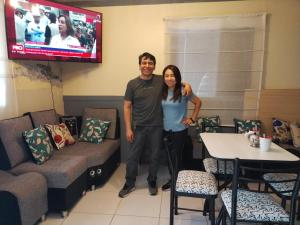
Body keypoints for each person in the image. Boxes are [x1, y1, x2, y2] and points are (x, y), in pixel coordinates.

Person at [119, 52, 192, 198]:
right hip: (138, 127)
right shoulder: (132, 84)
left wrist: (186, 84)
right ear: (139, 65)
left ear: (154, 66)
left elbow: (175, 80)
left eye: (150, 63)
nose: (147, 66)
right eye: (144, 63)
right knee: (133, 156)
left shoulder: (160, 80)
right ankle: (129, 182)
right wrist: (128, 128)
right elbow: (127, 106)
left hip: (157, 127)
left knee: (155, 156)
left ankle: (152, 180)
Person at [160, 65, 201, 191]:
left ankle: (176, 182)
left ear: (177, 76)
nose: (169, 78)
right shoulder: (163, 90)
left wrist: (192, 119)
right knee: (169, 156)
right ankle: (174, 179)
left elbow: (198, 102)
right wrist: (185, 82)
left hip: (180, 130)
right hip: (166, 130)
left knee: (176, 156)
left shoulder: (184, 90)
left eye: (172, 75)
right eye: (166, 75)